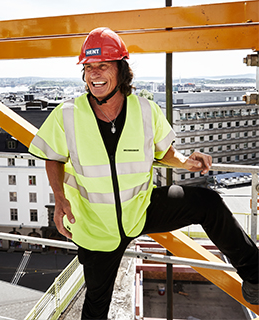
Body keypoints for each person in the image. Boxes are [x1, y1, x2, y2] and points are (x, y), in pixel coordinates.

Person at [28, 27, 258, 319]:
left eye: (102, 66)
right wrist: (60, 199)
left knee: (207, 203)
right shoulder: (67, 114)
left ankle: (255, 275)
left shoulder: (146, 110)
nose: (93, 74)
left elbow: (163, 152)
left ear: (121, 70)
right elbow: (53, 157)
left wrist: (187, 162)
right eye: (88, 67)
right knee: (96, 305)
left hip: (141, 208)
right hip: (97, 227)